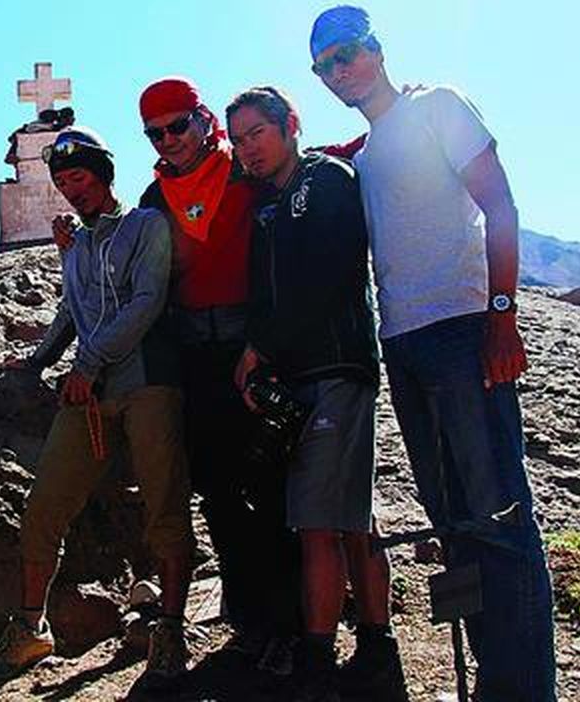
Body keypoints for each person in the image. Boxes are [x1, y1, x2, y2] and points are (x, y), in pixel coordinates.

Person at [310, 4, 556, 702]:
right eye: (325, 64)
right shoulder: (374, 143)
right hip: (404, 344)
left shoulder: (439, 106)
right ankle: (493, 682)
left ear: (377, 48)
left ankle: (528, 690)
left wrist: (502, 317)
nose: (340, 70)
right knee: (454, 521)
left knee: (501, 516)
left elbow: (500, 204)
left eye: (348, 53)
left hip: (461, 330)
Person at [0, 127, 194, 689]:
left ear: (103, 176)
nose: (73, 190)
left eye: (80, 178)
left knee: (164, 504)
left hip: (148, 383)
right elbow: (70, 312)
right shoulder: (77, 246)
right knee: (47, 501)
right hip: (89, 394)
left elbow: (147, 301)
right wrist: (36, 362)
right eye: (64, 181)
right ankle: (30, 626)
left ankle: (169, 628)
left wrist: (89, 362)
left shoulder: (145, 226)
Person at [227, 86, 408, 702]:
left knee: (317, 524)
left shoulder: (324, 180)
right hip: (308, 373)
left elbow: (328, 276)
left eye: (258, 133)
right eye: (238, 138)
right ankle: (377, 650)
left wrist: (263, 347)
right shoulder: (267, 204)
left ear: (290, 125)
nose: (248, 149)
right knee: (350, 516)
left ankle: (317, 661)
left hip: (333, 368)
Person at [137, 77, 302, 676]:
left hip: (253, 350)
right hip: (194, 362)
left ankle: (291, 624)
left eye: (177, 126)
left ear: (204, 120)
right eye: (155, 133)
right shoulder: (154, 199)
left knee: (271, 485)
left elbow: (305, 170)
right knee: (218, 491)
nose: (168, 140)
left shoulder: (247, 174)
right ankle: (250, 623)